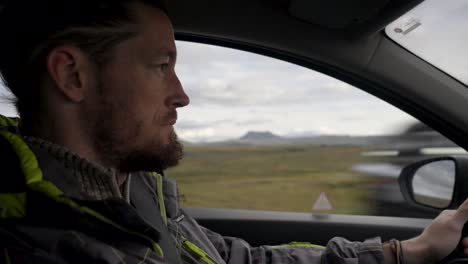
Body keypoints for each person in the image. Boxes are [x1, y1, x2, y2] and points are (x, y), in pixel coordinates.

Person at [0, 0, 467, 263]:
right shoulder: (27, 243)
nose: (182, 95)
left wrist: (404, 252)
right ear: (73, 76)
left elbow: (234, 259)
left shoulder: (136, 193)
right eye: (161, 66)